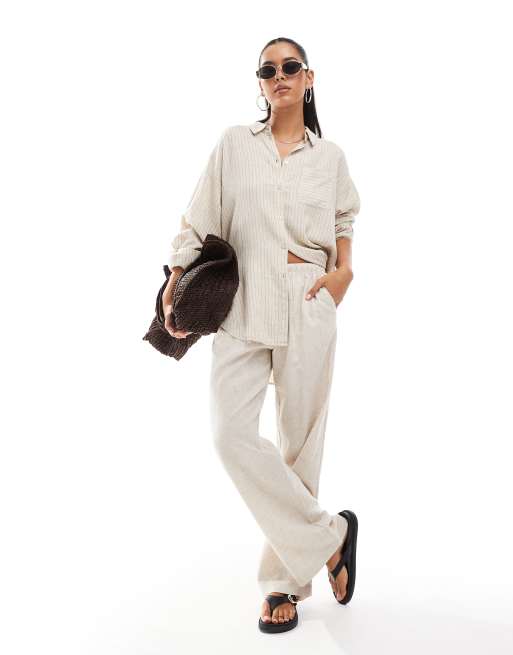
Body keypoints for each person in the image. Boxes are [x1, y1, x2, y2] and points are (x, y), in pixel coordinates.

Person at [162, 37, 360, 633]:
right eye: (268, 69)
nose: (279, 76)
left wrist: (344, 272)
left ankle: (282, 585)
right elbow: (199, 217)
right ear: (260, 82)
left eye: (290, 67)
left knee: (299, 444)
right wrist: (174, 278)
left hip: (308, 298)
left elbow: (345, 216)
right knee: (230, 434)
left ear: (309, 78)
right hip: (242, 303)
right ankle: (331, 536)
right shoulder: (233, 146)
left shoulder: (330, 158)